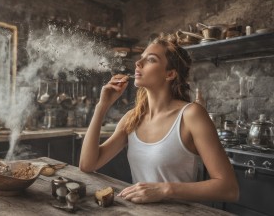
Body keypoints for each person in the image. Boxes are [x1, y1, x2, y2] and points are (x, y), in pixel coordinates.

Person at [79, 34, 239, 204]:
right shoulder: (132, 118)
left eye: (151, 60)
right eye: (140, 59)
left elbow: (229, 189)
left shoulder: (191, 114)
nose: (138, 63)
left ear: (170, 74)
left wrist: (164, 189)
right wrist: (102, 106)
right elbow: (88, 165)